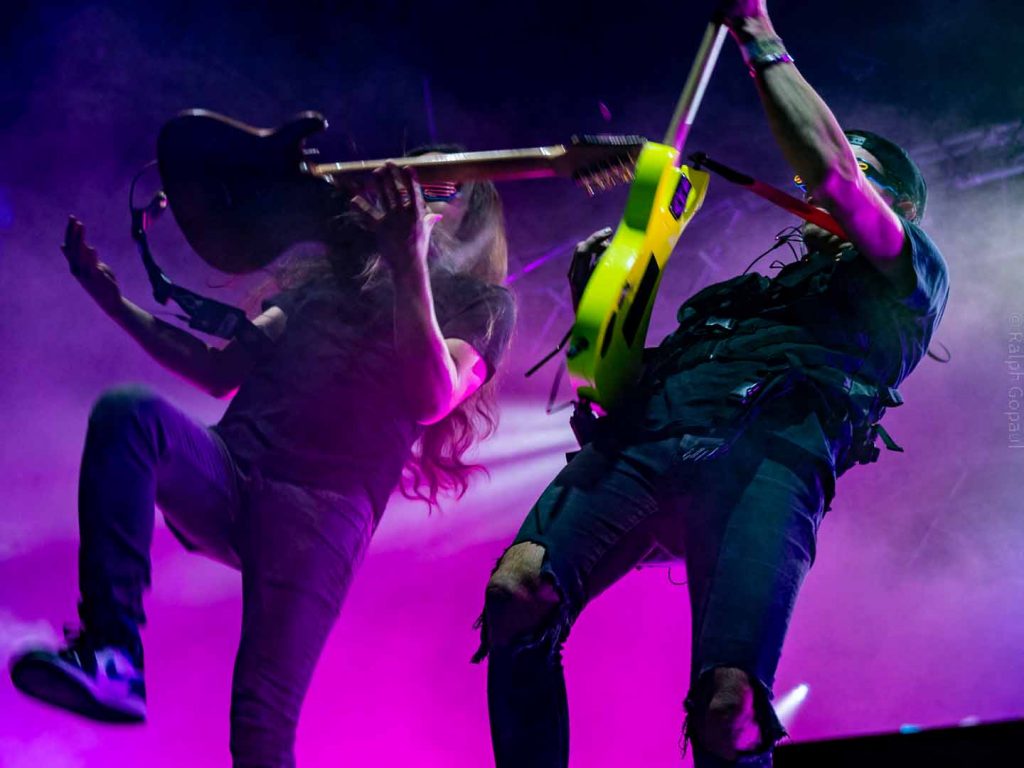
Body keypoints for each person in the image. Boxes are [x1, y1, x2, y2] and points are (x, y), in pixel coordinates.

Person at [475, 2, 949, 766]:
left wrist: (756, 29)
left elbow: (833, 173)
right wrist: (598, 299)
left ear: (902, 208)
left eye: (859, 173)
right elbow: (619, 388)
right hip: (647, 443)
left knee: (730, 711)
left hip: (772, 465)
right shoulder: (738, 301)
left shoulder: (911, 275)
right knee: (518, 592)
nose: (817, 188)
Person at [9, 159, 515, 768]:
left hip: (320, 515)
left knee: (260, 730)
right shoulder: (326, 281)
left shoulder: (480, 302)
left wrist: (410, 261)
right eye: (411, 179)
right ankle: (112, 653)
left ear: (471, 221)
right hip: (231, 471)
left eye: (442, 189)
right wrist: (115, 304)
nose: (414, 195)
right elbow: (218, 369)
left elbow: (432, 397)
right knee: (129, 415)